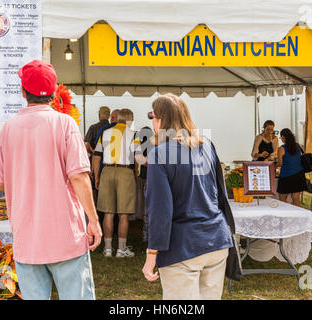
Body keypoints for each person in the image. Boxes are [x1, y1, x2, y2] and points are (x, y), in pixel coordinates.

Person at [0, 60, 102, 300]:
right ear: (53, 93)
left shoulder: (8, 128)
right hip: (66, 237)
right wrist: (93, 220)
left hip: (27, 239)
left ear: (22, 92)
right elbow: (80, 178)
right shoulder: (65, 124)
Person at [142, 94, 233, 300]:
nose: (152, 121)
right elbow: (219, 193)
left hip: (184, 247)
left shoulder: (159, 154)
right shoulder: (207, 145)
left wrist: (151, 254)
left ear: (161, 119)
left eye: (152, 116)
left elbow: (160, 210)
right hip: (216, 240)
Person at [93, 108, 140, 258]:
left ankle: (107, 249)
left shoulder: (105, 133)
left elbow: (96, 156)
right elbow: (138, 157)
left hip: (106, 171)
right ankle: (121, 249)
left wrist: (96, 176)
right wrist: (139, 169)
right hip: (125, 172)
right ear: (129, 119)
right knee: (123, 214)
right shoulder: (133, 134)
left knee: (108, 212)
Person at [276, 128, 308, 206]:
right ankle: (297, 217)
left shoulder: (281, 148)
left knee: (282, 199)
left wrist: (272, 164)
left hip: (286, 176)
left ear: (283, 137)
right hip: (299, 175)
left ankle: (284, 217)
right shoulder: (298, 146)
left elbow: (280, 164)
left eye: (281, 138)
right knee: (296, 199)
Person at [135, 126, 154, 242]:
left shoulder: (140, 147)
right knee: (149, 209)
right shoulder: (154, 147)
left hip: (142, 178)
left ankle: (145, 235)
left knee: (144, 208)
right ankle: (148, 236)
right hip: (150, 178)